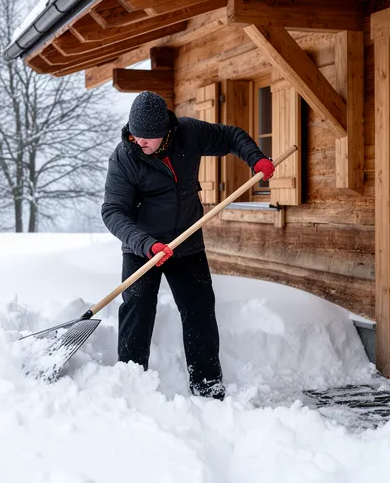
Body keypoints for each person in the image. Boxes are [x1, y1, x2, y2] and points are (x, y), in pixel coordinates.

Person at [101, 90, 275, 399]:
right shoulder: (125, 156)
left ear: (164, 131)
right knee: (137, 309)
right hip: (143, 246)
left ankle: (207, 384)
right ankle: (130, 382)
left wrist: (255, 158)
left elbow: (231, 136)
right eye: (135, 135)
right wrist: (146, 244)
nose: (139, 142)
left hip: (186, 240)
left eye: (146, 137)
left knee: (199, 310)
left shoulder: (188, 133)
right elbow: (113, 212)